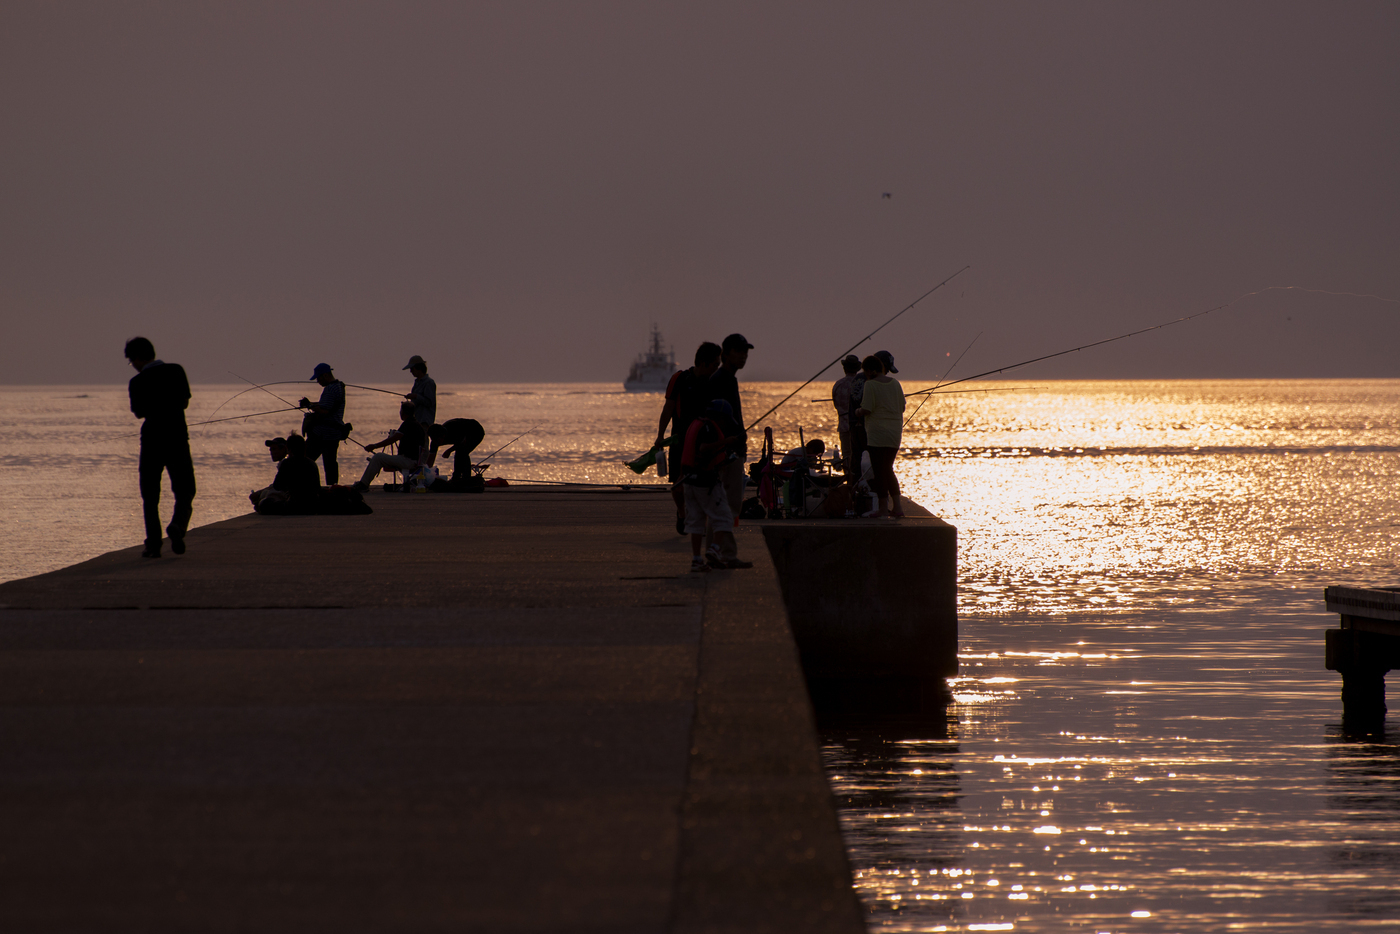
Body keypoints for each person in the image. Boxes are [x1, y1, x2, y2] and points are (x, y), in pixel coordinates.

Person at [125, 337, 195, 558]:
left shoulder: (136, 382)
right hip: (176, 438)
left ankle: (153, 545)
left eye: (131, 361)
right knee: (185, 490)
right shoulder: (176, 371)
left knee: (150, 495)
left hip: (152, 441)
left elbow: (138, 413)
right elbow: (184, 402)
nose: (133, 366)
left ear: (137, 358)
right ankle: (177, 526)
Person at [655, 342, 723, 533]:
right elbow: (668, 409)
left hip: (707, 442)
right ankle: (682, 513)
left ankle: (703, 519)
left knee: (707, 484)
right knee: (678, 487)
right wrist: (660, 436)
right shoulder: (679, 379)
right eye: (714, 364)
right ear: (702, 362)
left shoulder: (715, 382)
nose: (716, 368)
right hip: (680, 440)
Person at [681, 399, 752, 572]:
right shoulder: (709, 428)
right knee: (725, 518)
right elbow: (704, 448)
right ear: (719, 417)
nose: (725, 424)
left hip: (689, 481)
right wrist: (726, 442)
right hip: (705, 482)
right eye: (725, 420)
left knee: (697, 522)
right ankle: (714, 550)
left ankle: (697, 560)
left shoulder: (696, 424)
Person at [706, 333, 754, 565]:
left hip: (727, 450)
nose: (744, 356)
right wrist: (731, 441)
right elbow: (716, 418)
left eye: (746, 352)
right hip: (727, 453)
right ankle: (725, 554)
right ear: (725, 354)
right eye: (739, 351)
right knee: (729, 505)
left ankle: (715, 552)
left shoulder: (726, 379)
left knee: (720, 505)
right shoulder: (722, 379)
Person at [854, 350, 907, 518]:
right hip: (894, 433)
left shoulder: (870, 385)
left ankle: (883, 508)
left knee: (879, 471)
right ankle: (897, 507)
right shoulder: (895, 383)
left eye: (865, 372)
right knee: (888, 469)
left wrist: (858, 411)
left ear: (870, 370)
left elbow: (868, 408)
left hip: (877, 434)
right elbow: (902, 407)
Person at [352, 402, 427, 491]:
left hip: (408, 461)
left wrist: (374, 446)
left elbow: (392, 439)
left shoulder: (407, 424)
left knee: (378, 457)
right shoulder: (417, 424)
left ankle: (363, 485)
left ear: (402, 412)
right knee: (379, 458)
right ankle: (364, 483)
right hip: (415, 461)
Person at [300, 363, 347, 485]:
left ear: (325, 375)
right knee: (330, 463)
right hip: (333, 434)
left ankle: (304, 486)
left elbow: (325, 411)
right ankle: (333, 488)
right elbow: (327, 406)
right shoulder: (339, 386)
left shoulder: (329, 389)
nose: (317, 381)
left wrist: (310, 406)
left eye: (318, 378)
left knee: (304, 461)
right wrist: (311, 404)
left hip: (323, 433)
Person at [249, 433, 321, 509]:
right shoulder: (312, 463)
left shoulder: (287, 463)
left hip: (295, 504)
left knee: (265, 504)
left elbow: (277, 486)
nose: (271, 452)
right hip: (313, 504)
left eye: (274, 449)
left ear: (288, 449)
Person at [831, 355, 861, 476]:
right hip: (859, 426)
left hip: (843, 425)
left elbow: (836, 404)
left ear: (845, 368)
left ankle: (849, 482)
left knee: (847, 455)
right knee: (859, 455)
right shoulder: (862, 383)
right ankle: (860, 482)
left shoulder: (838, 384)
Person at [403, 355, 437, 428]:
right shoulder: (417, 383)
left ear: (419, 368)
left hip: (425, 421)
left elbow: (430, 402)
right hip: (417, 420)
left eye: (412, 368)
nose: (410, 371)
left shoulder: (429, 383)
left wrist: (416, 396)